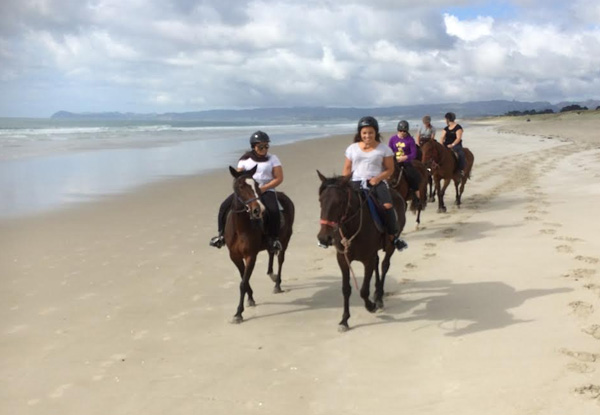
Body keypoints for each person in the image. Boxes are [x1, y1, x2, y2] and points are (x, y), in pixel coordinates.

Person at [209, 131, 284, 252]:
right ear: (253, 146)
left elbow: (279, 178)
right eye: (261, 147)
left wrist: (264, 188)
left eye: (266, 146)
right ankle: (221, 235)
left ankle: (273, 239)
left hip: (265, 189)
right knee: (224, 206)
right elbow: (238, 177)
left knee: (274, 210)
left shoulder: (273, 159)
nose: (264, 149)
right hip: (248, 190)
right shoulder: (244, 160)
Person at [342, 116, 408, 251]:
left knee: (388, 205)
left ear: (375, 133)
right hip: (355, 182)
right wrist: (344, 184)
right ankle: (335, 236)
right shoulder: (352, 148)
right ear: (360, 133)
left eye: (371, 132)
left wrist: (377, 179)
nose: (367, 135)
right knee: (340, 205)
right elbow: (347, 168)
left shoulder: (384, 149)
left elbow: (390, 169)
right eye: (364, 133)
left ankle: (393, 236)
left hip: (376, 182)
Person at [388, 120, 421, 203]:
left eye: (404, 131)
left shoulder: (410, 140)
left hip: (406, 161)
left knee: (412, 175)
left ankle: (416, 192)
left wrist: (405, 157)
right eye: (400, 131)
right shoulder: (393, 139)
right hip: (395, 161)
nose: (402, 132)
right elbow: (389, 150)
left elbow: (414, 153)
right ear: (398, 130)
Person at [439, 112, 466, 176]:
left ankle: (461, 170)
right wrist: (441, 144)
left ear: (448, 119)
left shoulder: (458, 127)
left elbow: (458, 138)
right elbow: (442, 137)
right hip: (446, 144)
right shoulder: (446, 128)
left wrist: (452, 145)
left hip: (456, 145)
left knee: (461, 154)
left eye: (445, 119)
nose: (445, 120)